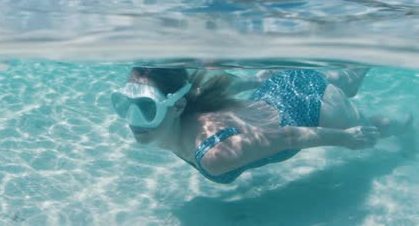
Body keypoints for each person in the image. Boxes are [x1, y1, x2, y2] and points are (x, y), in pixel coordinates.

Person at [111, 68, 414, 184]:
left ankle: (407, 125)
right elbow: (231, 86)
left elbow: (287, 136)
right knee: (345, 85)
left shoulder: (215, 155)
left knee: (366, 126)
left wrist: (345, 139)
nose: (133, 120)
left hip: (308, 109)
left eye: (146, 107)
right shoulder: (188, 107)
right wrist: (257, 79)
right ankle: (352, 72)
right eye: (125, 105)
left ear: (177, 106)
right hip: (277, 89)